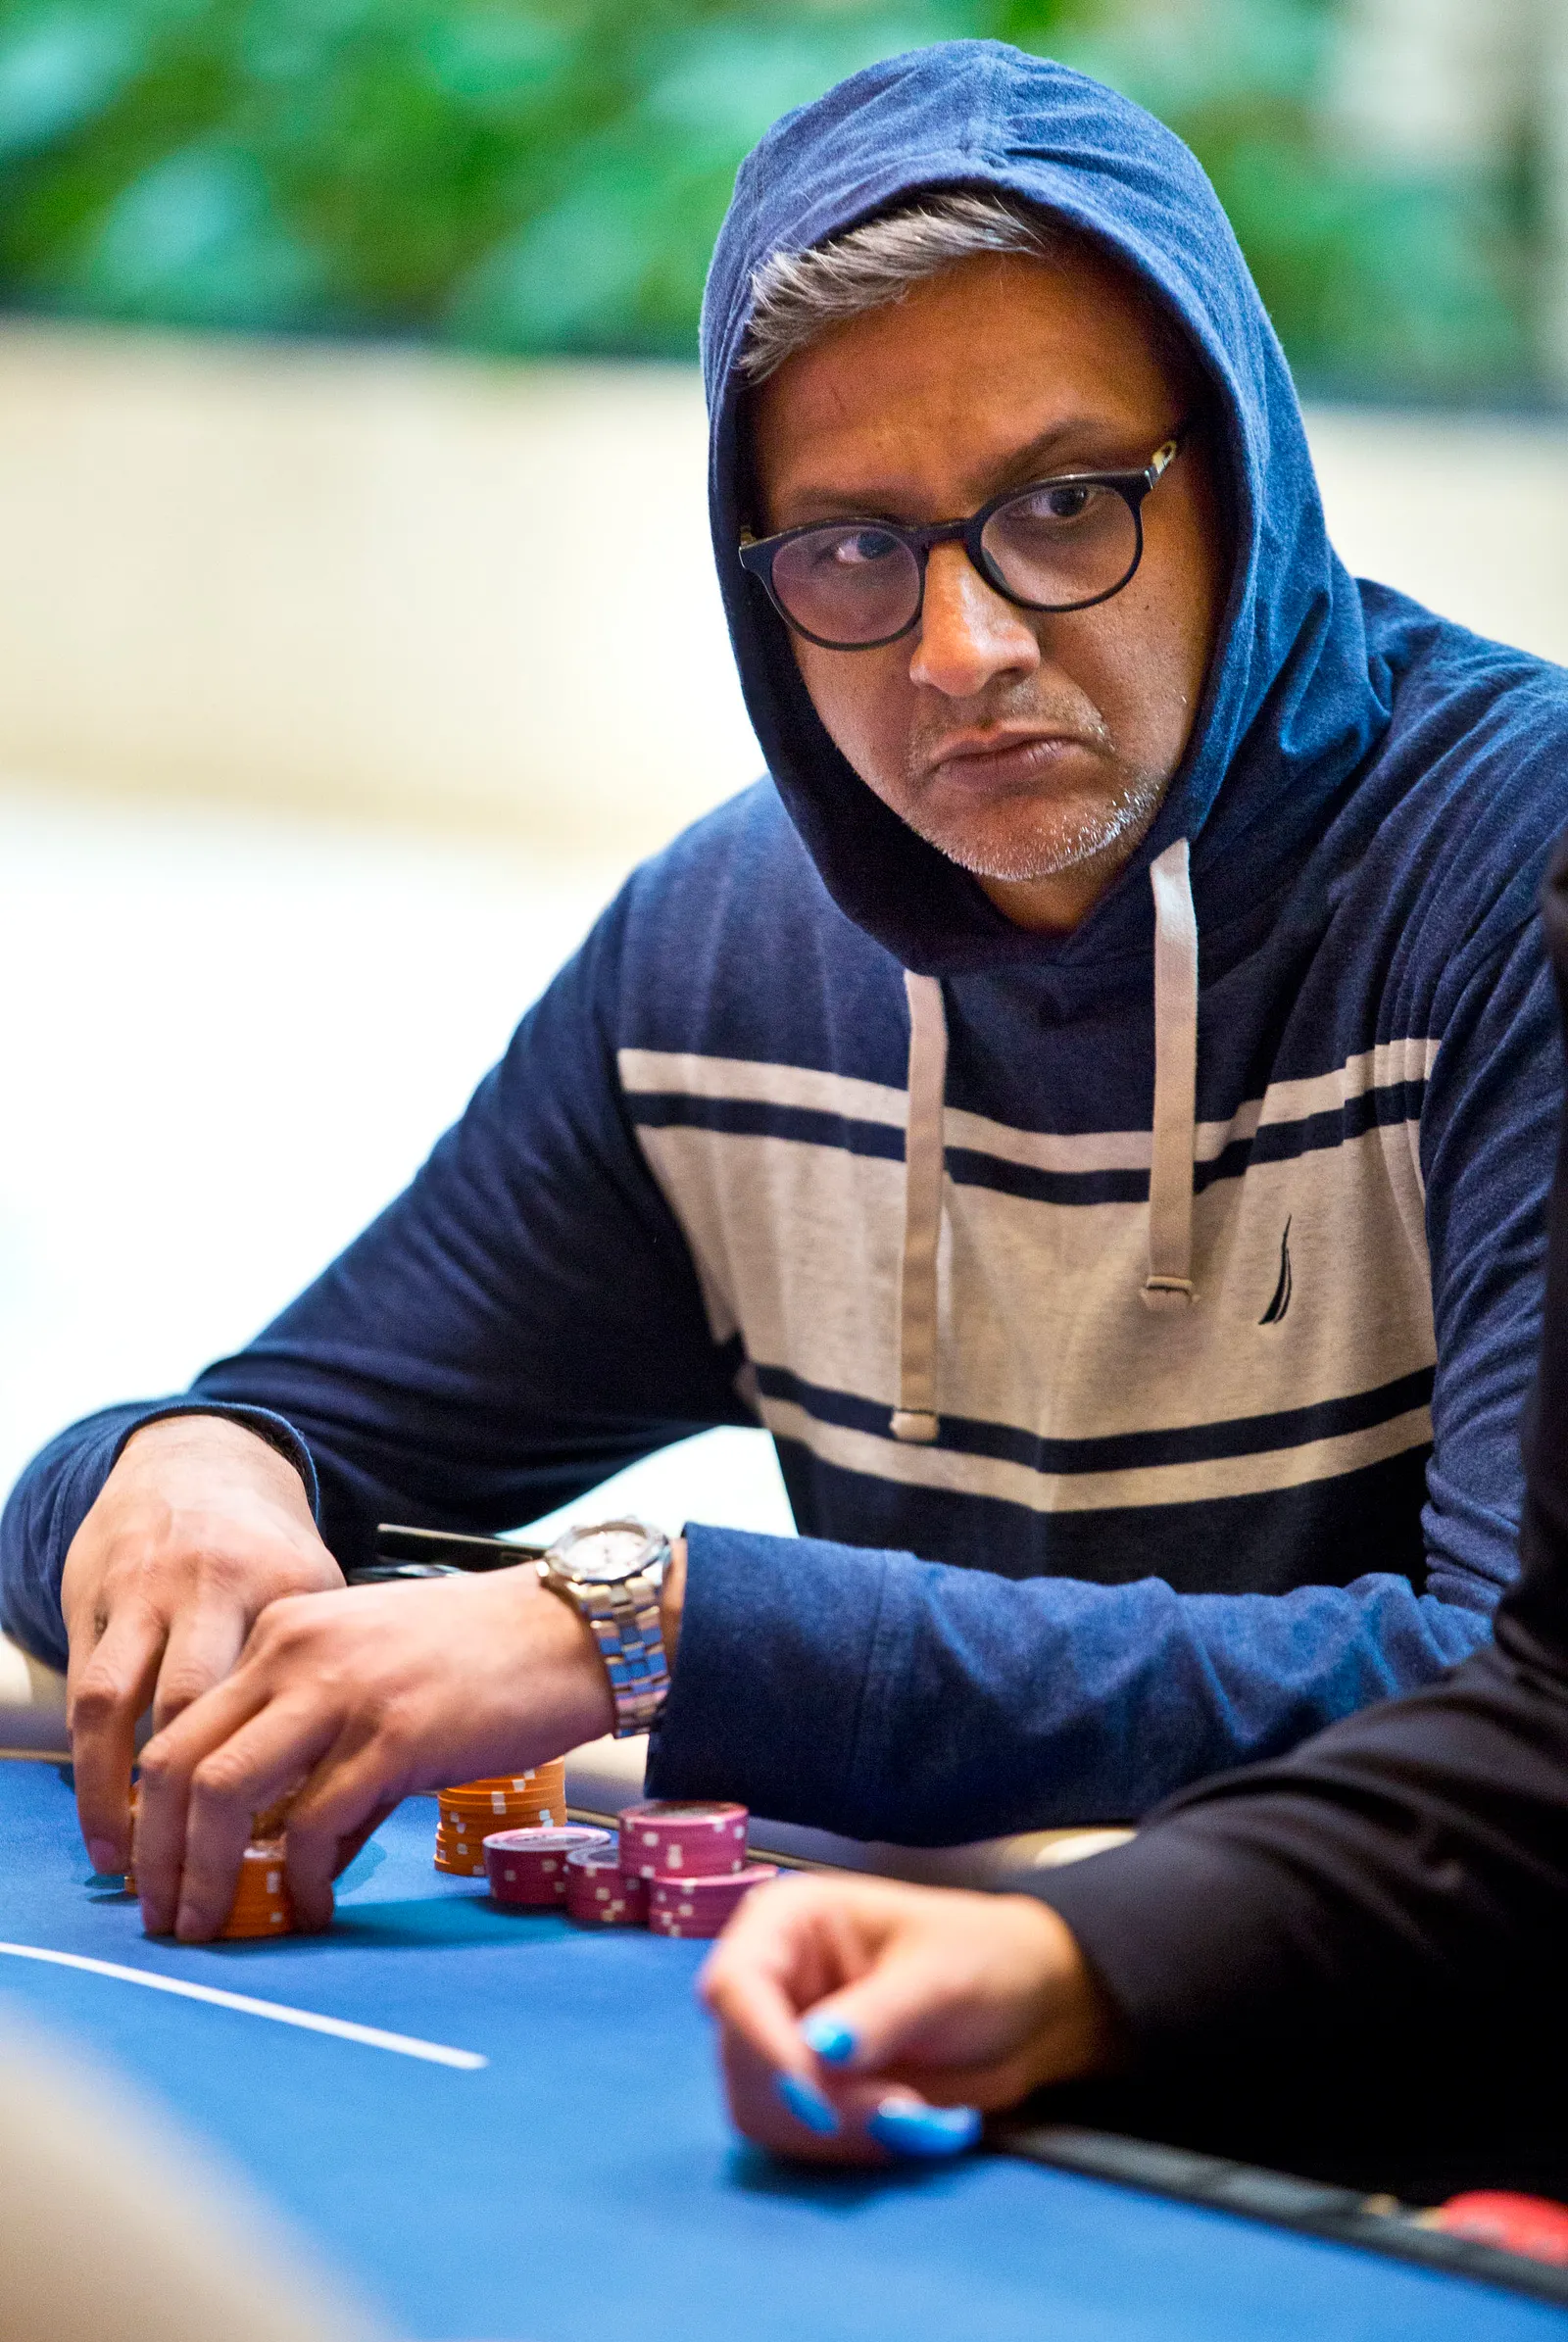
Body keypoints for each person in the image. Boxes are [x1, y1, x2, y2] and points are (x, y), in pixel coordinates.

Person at [5, 43, 1568, 1943]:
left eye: (1065, 505)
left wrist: (650, 1627)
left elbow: (1514, 1705)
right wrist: (177, 1474)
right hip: (932, 2059)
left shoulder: (1518, 876)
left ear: (1238, 476)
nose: (962, 647)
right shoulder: (728, 957)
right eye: (852, 550)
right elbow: (274, 1451)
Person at [699, 844, 1568, 2183]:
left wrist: (672, 1635)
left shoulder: (1500, 849)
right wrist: (1066, 1959)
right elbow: (1547, 1712)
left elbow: (1481, 1663)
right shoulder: (727, 923)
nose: (961, 681)